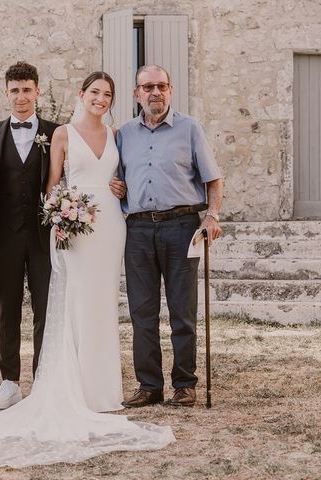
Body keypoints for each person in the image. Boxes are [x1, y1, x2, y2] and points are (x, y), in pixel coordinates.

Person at [0, 72, 175, 468]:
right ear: (82, 95)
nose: (100, 99)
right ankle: (14, 382)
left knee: (98, 304)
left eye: (107, 94)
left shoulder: (113, 134)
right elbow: (17, 180)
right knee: (35, 307)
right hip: (55, 227)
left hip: (107, 226)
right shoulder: (16, 133)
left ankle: (99, 388)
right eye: (94, 93)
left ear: (38, 93)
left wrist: (120, 186)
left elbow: (128, 173)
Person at [117, 64, 223, 409]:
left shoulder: (190, 128)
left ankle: (184, 384)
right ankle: (149, 385)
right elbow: (117, 179)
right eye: (147, 87)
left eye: (161, 86)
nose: (154, 93)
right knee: (142, 312)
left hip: (181, 227)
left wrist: (211, 215)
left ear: (170, 90)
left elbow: (213, 179)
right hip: (137, 229)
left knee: (182, 310)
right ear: (137, 94)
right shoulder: (124, 134)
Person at [0, 61, 59, 410]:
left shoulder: (57, 132)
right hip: (5, 236)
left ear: (37, 91)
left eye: (27, 90)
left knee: (45, 309)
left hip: (44, 237)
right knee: (7, 310)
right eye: (15, 90)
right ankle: (9, 381)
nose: (21, 97)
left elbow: (73, 174)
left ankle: (43, 379)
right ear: (6, 93)